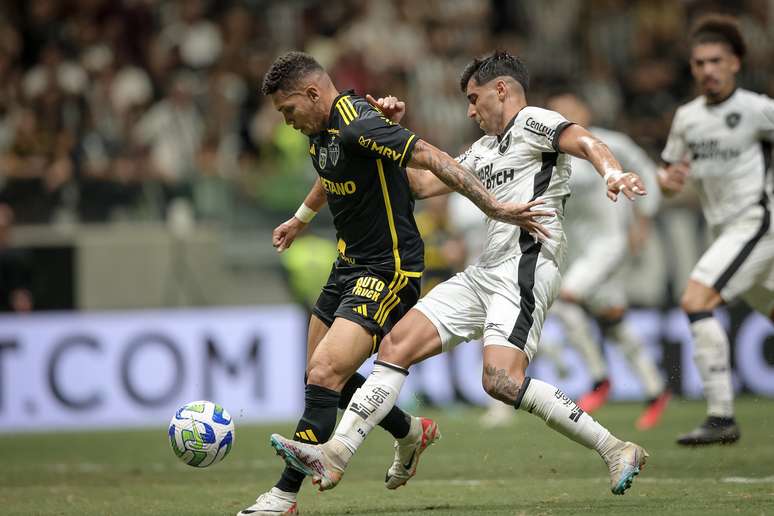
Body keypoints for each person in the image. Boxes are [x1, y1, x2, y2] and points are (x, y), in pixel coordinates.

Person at [268, 50, 650, 497]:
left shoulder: (533, 122)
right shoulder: (483, 148)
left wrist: (612, 172)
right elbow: (420, 183)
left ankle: (614, 447)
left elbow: (585, 141)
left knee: (500, 381)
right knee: (397, 343)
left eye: (474, 98)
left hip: (526, 266)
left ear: (501, 89)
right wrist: (388, 133)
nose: (470, 110)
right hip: (484, 271)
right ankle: (337, 451)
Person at [238, 51, 550, 516]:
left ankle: (283, 497)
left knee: (324, 373)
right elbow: (332, 171)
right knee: (321, 378)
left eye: (289, 111)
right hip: (347, 265)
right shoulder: (322, 131)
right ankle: (409, 432)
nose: (287, 122)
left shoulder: (360, 123)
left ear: (312, 93)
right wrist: (301, 219)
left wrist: (494, 207)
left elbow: (430, 156)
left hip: (389, 270)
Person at [657, 15, 774, 446]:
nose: (708, 70)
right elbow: (669, 176)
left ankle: (721, 416)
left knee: (696, 299)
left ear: (735, 63)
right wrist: (665, 184)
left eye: (716, 61)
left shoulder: (757, 110)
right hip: (723, 232)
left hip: (755, 225)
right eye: (699, 62)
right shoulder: (687, 118)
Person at [543, 91, 671, 430]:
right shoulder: (551, 153)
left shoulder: (610, 142)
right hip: (575, 252)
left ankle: (599, 380)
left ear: (584, 109)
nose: (564, 115)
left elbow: (645, 171)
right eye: (556, 111)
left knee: (566, 301)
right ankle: (656, 390)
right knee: (612, 317)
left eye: (569, 109)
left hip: (610, 244)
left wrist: (644, 219)